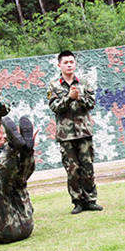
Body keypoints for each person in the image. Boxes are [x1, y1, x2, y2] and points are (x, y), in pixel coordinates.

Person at [47, 50, 102, 214]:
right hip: (66, 135)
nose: (69, 65)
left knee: (88, 167)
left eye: (71, 62)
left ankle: (91, 200)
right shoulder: (54, 85)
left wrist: (80, 98)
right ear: (59, 65)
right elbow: (54, 107)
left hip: (84, 132)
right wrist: (69, 98)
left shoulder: (84, 82)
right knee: (72, 169)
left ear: (75, 63)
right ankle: (77, 201)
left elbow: (91, 103)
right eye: (66, 62)